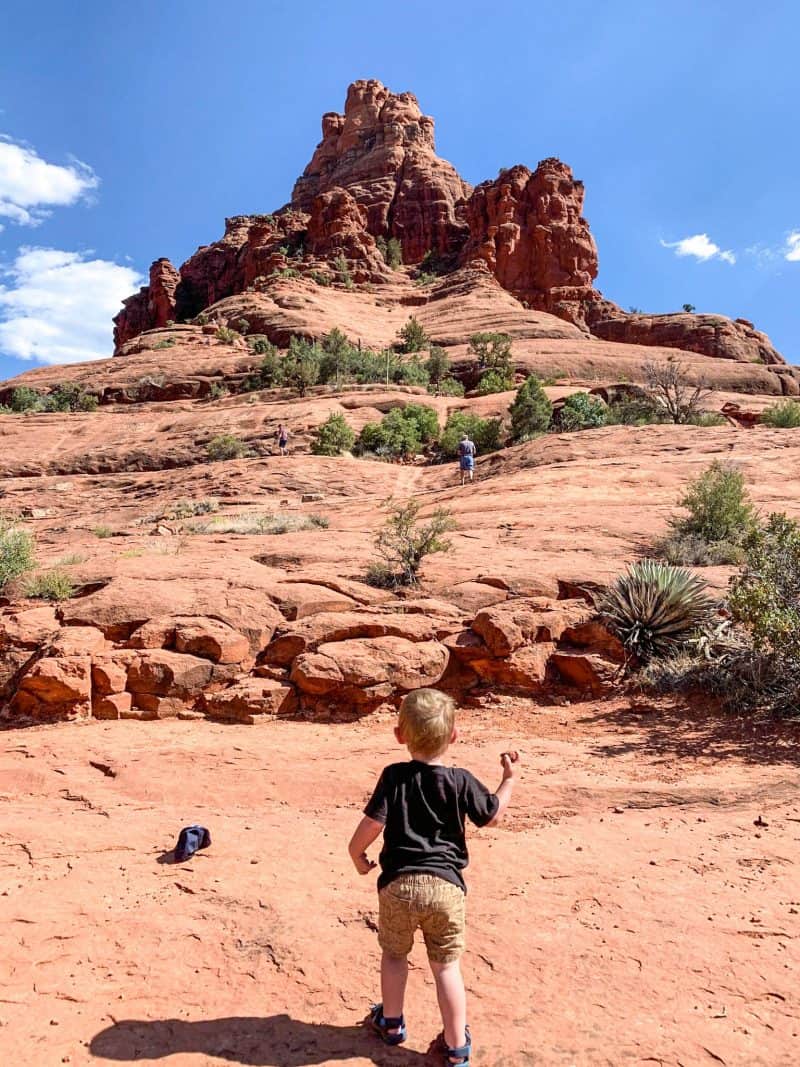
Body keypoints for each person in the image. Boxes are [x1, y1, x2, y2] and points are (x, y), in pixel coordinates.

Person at [348, 688, 519, 1065]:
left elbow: (373, 823)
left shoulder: (394, 777)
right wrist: (508, 779)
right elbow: (492, 816)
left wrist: (356, 854)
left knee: (395, 955)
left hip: (398, 886)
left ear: (400, 736)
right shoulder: (460, 780)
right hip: (446, 888)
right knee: (446, 966)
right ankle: (456, 1048)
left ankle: (391, 1023)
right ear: (454, 736)